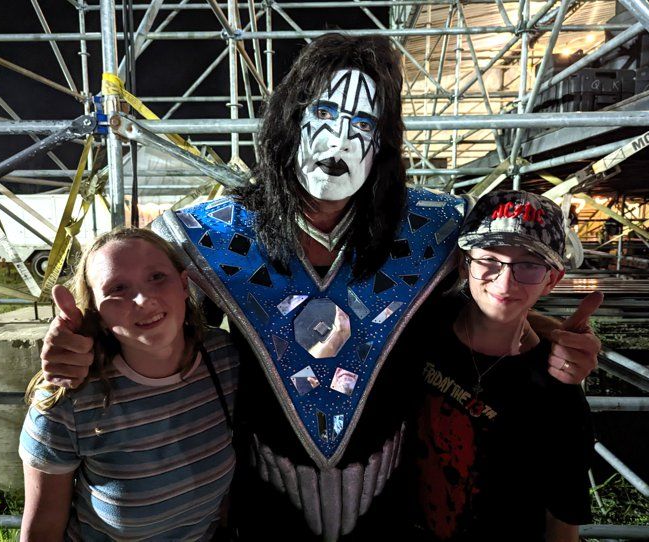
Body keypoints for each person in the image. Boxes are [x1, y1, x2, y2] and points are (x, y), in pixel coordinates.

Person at [39, 34, 601, 541]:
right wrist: (83, 342)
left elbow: (486, 298)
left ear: (383, 141)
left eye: (363, 125)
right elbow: (154, 322)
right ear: (290, 119)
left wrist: (550, 335)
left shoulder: (433, 229)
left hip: (393, 494)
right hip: (263, 494)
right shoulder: (206, 235)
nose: (340, 139)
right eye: (325, 112)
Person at [19, 228, 238, 541]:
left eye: (157, 277)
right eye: (118, 288)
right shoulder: (70, 399)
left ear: (184, 285)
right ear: (96, 313)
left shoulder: (223, 358)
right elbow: (42, 529)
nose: (144, 299)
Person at [408, 190, 594, 541]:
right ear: (465, 264)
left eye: (528, 265)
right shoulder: (418, 328)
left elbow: (563, 517)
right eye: (489, 259)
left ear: (551, 279)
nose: (505, 281)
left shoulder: (555, 392)